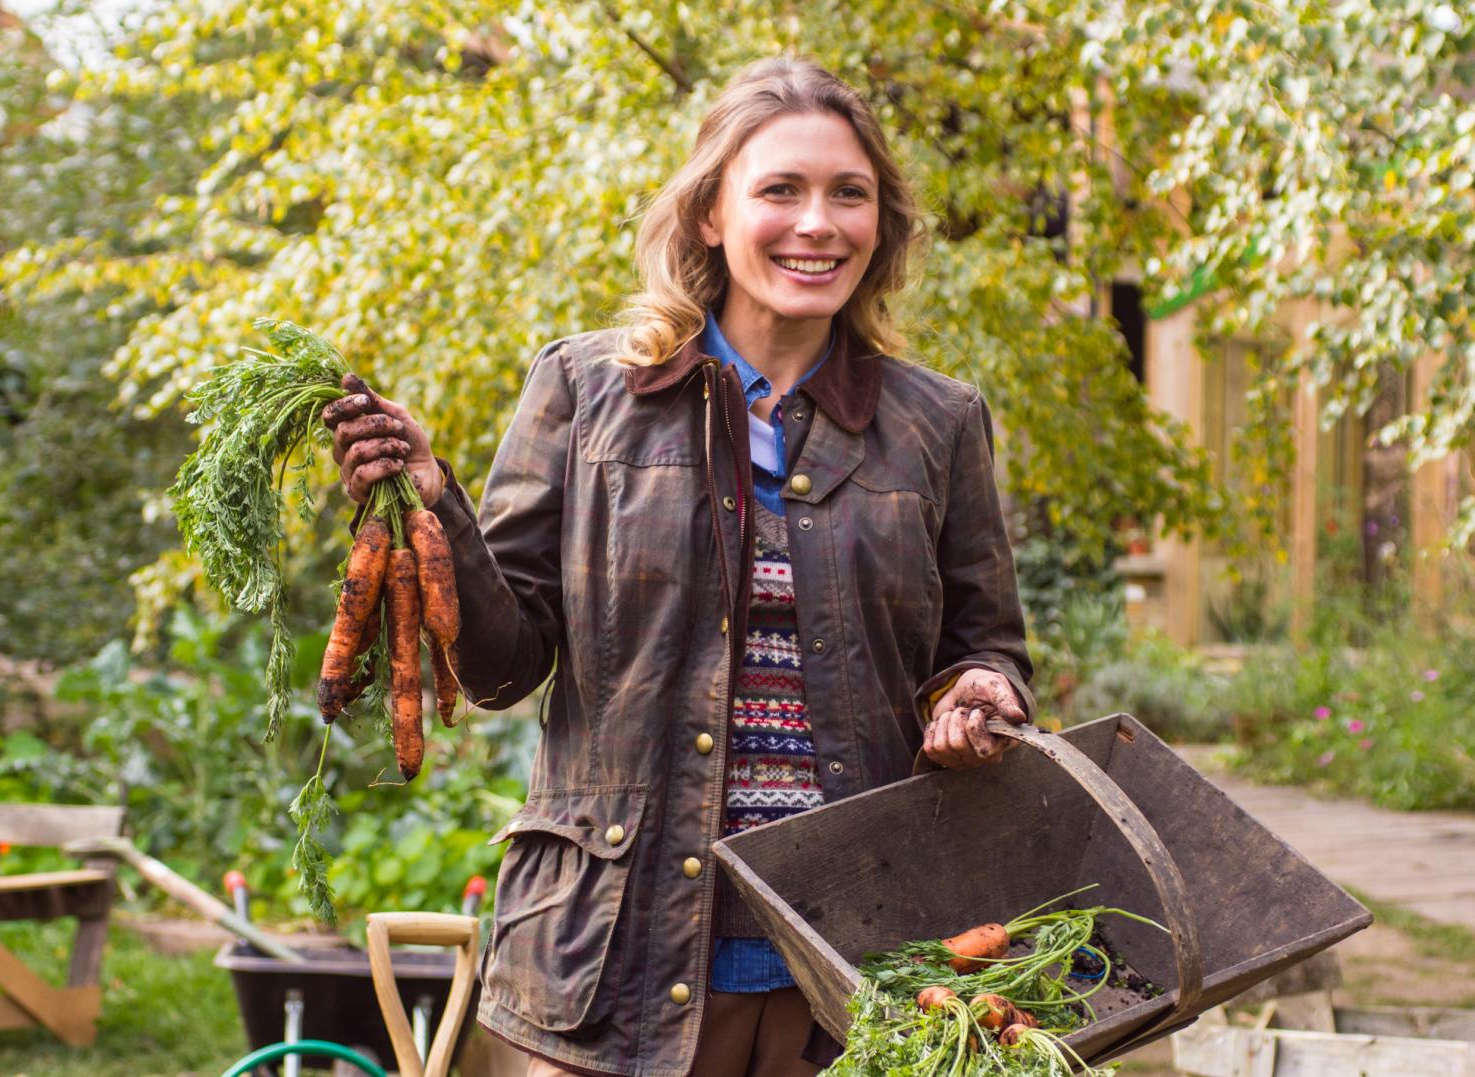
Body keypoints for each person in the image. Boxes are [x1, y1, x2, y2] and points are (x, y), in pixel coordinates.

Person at [326, 56, 1033, 1077]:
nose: (818, 223)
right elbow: (502, 664)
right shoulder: (585, 392)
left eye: (850, 194)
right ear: (709, 213)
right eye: (779, 190)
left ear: (883, 224)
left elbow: (985, 644)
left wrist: (979, 690)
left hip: (854, 944)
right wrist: (440, 510)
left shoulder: (936, 424)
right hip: (614, 935)